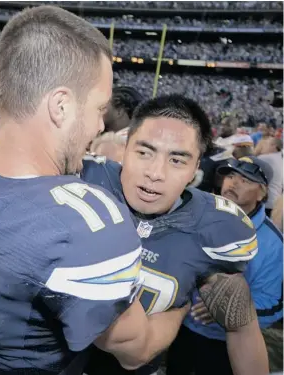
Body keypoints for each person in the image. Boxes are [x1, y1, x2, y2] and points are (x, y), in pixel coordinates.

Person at [0, 6, 189, 375]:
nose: (98, 125)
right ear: (61, 106)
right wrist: (181, 305)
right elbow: (135, 350)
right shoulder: (81, 226)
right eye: (99, 108)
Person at [80, 95, 269, 375]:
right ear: (125, 149)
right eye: (144, 152)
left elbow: (242, 329)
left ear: (196, 169)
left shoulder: (215, 229)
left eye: (177, 160)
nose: (155, 173)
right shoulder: (82, 182)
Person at [172, 156, 283, 375]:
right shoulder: (192, 213)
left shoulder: (273, 244)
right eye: (231, 176)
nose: (233, 183)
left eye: (246, 180)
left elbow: (274, 304)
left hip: (225, 342)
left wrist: (229, 312)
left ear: (262, 193)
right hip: (180, 329)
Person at [258, 137, 283, 217]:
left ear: (273, 146)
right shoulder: (280, 158)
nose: (263, 146)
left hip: (266, 203)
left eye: (266, 144)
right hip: (276, 202)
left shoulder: (267, 158)